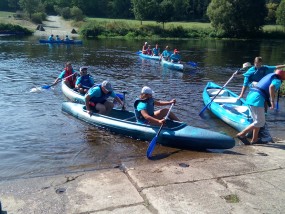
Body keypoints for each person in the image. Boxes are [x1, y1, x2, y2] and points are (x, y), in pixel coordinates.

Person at [236, 69, 285, 145]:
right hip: (257, 100)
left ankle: (254, 139)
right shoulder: (277, 80)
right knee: (260, 122)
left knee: (257, 121)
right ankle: (242, 134)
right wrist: (272, 102)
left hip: (251, 97)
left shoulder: (270, 76)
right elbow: (271, 87)